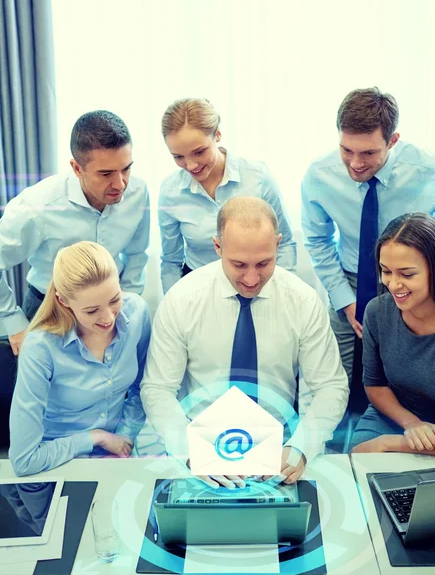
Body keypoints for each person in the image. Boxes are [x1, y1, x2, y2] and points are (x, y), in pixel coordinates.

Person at [141, 197, 348, 488]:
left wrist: (300, 448)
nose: (252, 278)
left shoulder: (302, 301)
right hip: (201, 451)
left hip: (279, 453)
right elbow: (157, 389)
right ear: (217, 247)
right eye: (238, 264)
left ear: (278, 244)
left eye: (264, 263)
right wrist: (191, 453)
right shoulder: (181, 300)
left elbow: (331, 386)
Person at [301, 87, 435, 383]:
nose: (355, 163)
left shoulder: (434, 171)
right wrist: (345, 300)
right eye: (346, 150)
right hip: (350, 282)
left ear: (393, 141)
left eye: (368, 152)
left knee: (409, 378)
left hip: (421, 285)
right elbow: (317, 240)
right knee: (337, 378)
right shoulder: (319, 175)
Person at [0, 110, 150, 355]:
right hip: (51, 311)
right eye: (106, 174)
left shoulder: (138, 192)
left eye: (126, 169)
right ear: (77, 168)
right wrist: (14, 323)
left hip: (109, 309)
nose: (121, 183)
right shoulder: (36, 206)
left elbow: (136, 254)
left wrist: (125, 306)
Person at [9, 241, 151, 476]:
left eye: (115, 299)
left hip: (117, 455)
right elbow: (24, 460)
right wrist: (95, 438)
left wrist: (123, 438)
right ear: (63, 301)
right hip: (56, 462)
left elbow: (142, 387)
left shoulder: (137, 312)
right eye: (91, 310)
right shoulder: (41, 346)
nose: (108, 318)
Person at [350, 213, 435, 457]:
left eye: (407, 274)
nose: (393, 284)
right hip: (392, 416)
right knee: (358, 458)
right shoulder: (377, 311)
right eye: (386, 271)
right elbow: (375, 386)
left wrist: (393, 443)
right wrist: (411, 424)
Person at [158, 98, 296, 293]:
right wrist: (172, 305)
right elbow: (171, 261)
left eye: (199, 152)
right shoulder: (170, 191)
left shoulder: (258, 178)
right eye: (178, 157)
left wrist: (282, 293)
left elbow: (285, 244)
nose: (191, 165)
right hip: (199, 288)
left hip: (257, 283)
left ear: (217, 135)